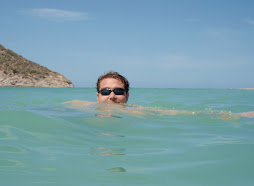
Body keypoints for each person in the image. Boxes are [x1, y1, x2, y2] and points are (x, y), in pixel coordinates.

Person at [64, 71, 254, 118]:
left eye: (118, 91)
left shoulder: (136, 112)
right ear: (97, 96)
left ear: (127, 96)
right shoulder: (78, 105)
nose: (112, 96)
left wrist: (237, 115)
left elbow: (177, 114)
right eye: (105, 91)